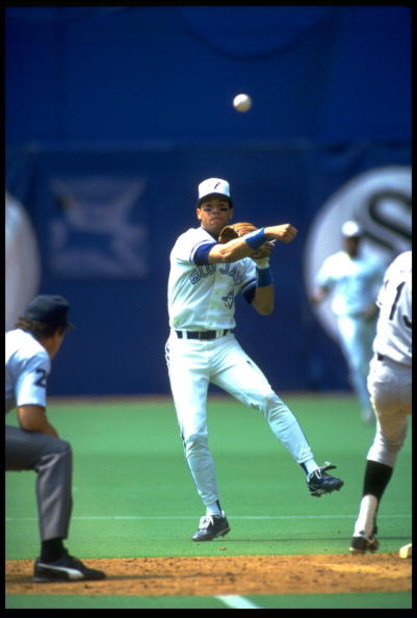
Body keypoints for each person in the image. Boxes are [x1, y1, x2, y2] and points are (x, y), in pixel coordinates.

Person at [165, 177, 344, 542]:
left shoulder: (243, 256)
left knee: (267, 398)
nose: (215, 212)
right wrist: (265, 233)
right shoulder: (189, 241)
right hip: (185, 350)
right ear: (199, 213)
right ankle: (213, 514)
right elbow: (222, 254)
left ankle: (313, 472)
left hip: (224, 344)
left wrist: (262, 263)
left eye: (222, 206)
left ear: (231, 211)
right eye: (209, 207)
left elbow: (264, 306)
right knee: (195, 434)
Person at [5, 295, 106, 582]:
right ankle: (53, 557)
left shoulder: (11, 339)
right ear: (58, 332)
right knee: (55, 451)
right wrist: (53, 436)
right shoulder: (33, 353)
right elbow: (30, 418)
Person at [349, 251, 412, 554]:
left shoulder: (401, 260)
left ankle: (363, 527)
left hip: (384, 374)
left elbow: (383, 308)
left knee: (386, 443)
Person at [311, 220, 385, 423]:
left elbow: (385, 287)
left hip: (369, 317)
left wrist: (375, 305)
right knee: (357, 361)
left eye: (356, 239)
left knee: (374, 361)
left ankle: (381, 402)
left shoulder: (372, 262)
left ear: (360, 240)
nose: (352, 242)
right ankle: (368, 406)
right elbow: (323, 286)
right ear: (344, 240)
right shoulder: (335, 263)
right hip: (347, 317)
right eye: (349, 239)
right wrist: (317, 297)